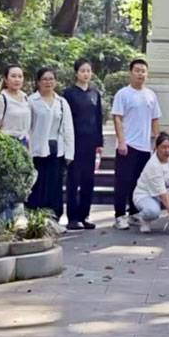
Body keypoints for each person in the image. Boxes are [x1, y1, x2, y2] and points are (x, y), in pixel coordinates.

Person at [111, 58, 162, 230]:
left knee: (138, 182)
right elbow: (117, 118)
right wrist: (122, 141)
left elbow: (155, 119)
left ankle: (133, 213)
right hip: (128, 145)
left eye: (143, 71)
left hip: (144, 147)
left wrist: (157, 141)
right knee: (122, 182)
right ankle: (119, 215)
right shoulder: (123, 94)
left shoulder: (151, 95)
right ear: (130, 73)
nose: (140, 74)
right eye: (137, 70)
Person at [27, 67, 75, 220]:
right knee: (37, 185)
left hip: (56, 150)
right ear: (38, 82)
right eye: (44, 79)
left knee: (54, 186)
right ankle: (35, 218)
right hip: (37, 150)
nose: (48, 82)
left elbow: (68, 128)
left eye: (51, 79)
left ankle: (53, 218)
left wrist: (69, 153)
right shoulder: (31, 101)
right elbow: (28, 127)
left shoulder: (61, 102)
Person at [62, 58, 104, 231]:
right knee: (74, 179)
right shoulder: (69, 94)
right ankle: (72, 217)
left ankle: (84, 215)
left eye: (88, 70)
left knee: (89, 180)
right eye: (82, 71)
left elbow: (99, 118)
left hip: (90, 142)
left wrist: (99, 142)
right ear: (76, 73)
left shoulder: (95, 93)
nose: (86, 74)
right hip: (75, 141)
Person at [0, 65, 32, 146]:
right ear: (6, 79)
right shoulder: (1, 99)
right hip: (7, 143)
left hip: (24, 142)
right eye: (13, 76)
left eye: (20, 76)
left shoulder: (25, 98)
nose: (17, 80)